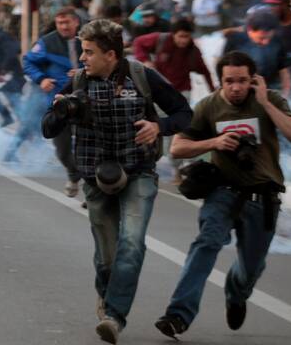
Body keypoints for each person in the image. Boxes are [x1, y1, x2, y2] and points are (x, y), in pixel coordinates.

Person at [42, 19, 192, 344]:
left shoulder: (142, 76)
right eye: (82, 52)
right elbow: (47, 128)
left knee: (132, 244)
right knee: (106, 258)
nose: (82, 59)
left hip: (139, 172)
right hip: (96, 177)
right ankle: (107, 294)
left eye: (88, 52)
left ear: (110, 54)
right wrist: (60, 111)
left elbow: (184, 112)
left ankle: (114, 316)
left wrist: (160, 127)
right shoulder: (78, 81)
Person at [154, 51, 291, 339]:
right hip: (223, 191)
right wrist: (215, 142)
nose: (236, 87)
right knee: (205, 243)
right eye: (229, 81)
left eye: (242, 81)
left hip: (263, 196)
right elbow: (176, 147)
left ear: (253, 79)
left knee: (251, 268)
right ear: (220, 81)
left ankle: (237, 293)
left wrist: (264, 103)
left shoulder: (269, 99)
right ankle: (178, 315)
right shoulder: (208, 106)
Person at [23, 7, 84, 196]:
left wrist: (83, 72)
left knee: (91, 146)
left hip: (87, 102)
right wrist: (41, 79)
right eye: (59, 23)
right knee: (62, 149)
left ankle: (93, 189)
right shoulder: (47, 42)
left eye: (67, 22)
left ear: (76, 22)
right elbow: (28, 61)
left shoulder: (88, 40)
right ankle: (74, 175)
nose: (63, 26)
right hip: (59, 102)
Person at [132, 18, 214, 100]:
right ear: (173, 34)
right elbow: (138, 42)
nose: (184, 40)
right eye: (181, 36)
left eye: (187, 36)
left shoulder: (193, 51)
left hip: (183, 91)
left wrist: (213, 92)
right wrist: (145, 60)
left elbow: (205, 71)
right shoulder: (161, 39)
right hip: (160, 88)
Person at [223, 10, 291, 97]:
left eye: (269, 38)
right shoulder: (235, 40)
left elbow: (284, 70)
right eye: (261, 38)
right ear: (249, 30)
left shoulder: (277, 40)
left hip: (270, 88)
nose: (266, 42)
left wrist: (286, 94)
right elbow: (224, 69)